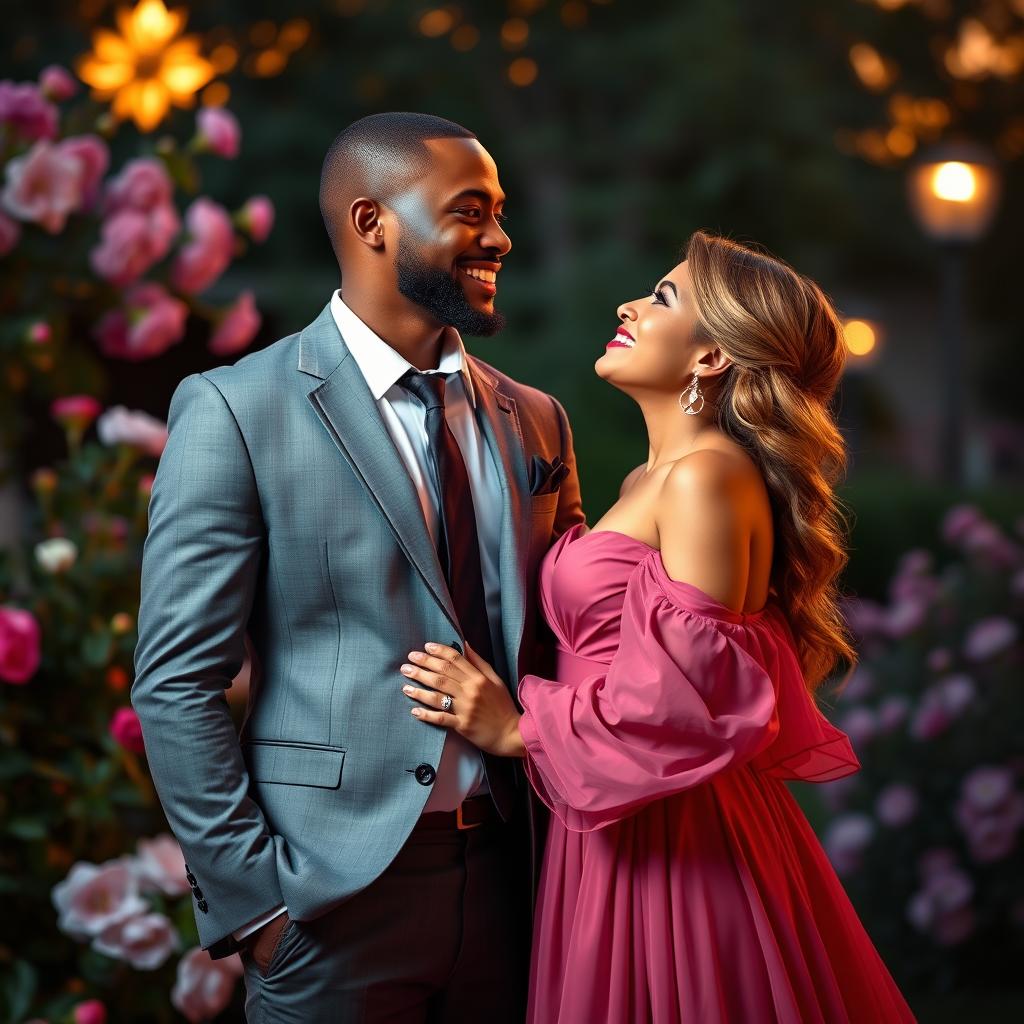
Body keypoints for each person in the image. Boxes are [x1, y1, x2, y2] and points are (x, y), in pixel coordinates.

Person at [132, 112, 584, 1022]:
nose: (499, 236)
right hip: (331, 903)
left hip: (521, 879)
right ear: (373, 222)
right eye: (470, 210)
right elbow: (176, 683)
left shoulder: (537, 419)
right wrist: (259, 904)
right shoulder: (236, 409)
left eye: (498, 210)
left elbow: (577, 640)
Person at [402, 231, 917, 1022]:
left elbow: (688, 705)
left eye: (664, 297)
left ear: (712, 358)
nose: (630, 305)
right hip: (620, 820)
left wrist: (516, 728)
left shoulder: (706, 477)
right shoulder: (658, 477)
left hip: (674, 840)